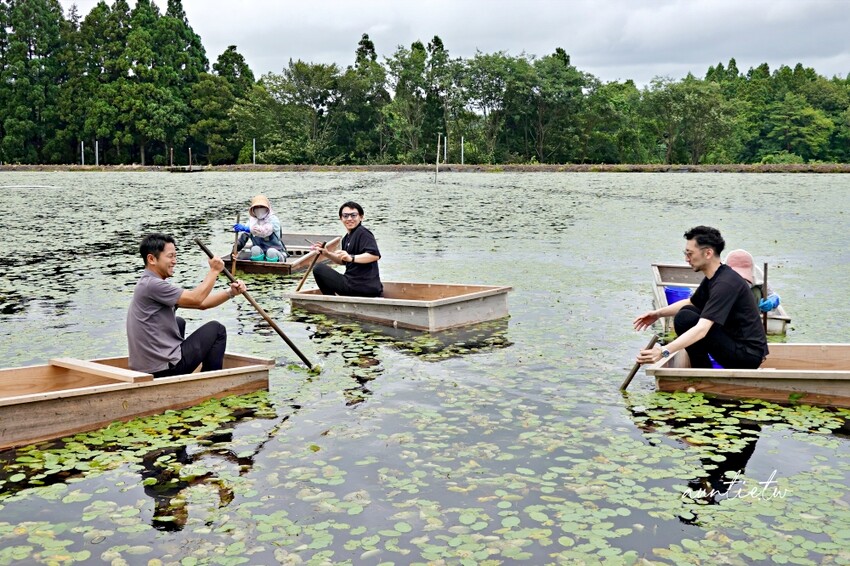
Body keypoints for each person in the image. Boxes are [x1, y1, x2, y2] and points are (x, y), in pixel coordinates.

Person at [634, 226, 768, 369]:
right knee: (687, 312)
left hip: (747, 356)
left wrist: (663, 351)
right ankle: (701, 368)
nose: (687, 259)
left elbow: (702, 329)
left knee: (685, 319)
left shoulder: (725, 283)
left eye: (690, 254)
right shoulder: (715, 276)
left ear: (708, 253)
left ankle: (701, 371)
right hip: (735, 344)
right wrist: (657, 313)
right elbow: (692, 302)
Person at [127, 233, 246, 377]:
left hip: (152, 367)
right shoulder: (152, 285)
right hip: (161, 369)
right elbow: (196, 298)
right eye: (170, 256)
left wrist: (230, 292)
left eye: (175, 256)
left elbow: (202, 304)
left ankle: (186, 371)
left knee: (178, 322)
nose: (174, 261)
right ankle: (210, 382)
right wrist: (214, 271)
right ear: (151, 259)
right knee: (217, 330)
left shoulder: (149, 283)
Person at [310, 201, 382, 297]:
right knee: (321, 271)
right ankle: (331, 300)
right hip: (353, 284)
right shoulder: (346, 238)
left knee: (318, 268)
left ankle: (331, 301)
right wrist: (327, 253)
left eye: (353, 215)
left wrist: (351, 258)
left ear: (361, 217)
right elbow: (344, 261)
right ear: (341, 218)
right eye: (345, 216)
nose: (349, 219)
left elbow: (374, 255)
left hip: (362, 286)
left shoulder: (363, 233)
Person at [233, 195, 287, 262]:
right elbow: (243, 238)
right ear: (253, 209)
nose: (259, 209)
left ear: (267, 208)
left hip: (277, 252)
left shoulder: (274, 220)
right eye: (256, 207)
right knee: (255, 249)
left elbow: (263, 231)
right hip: (261, 253)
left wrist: (247, 229)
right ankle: (259, 267)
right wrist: (235, 249)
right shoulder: (251, 221)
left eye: (262, 207)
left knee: (271, 252)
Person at [725, 249, 781, 313]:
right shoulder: (718, 274)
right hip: (727, 307)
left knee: (756, 292)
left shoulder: (758, 274)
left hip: (751, 308)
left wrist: (772, 302)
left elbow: (774, 296)